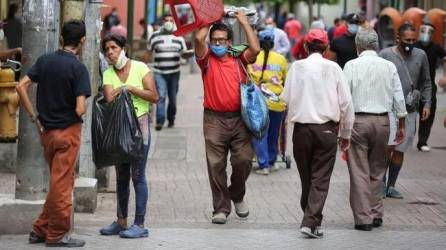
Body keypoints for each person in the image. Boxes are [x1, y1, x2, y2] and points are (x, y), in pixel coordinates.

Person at [16, 20, 90, 248]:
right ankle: (57, 234)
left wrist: (34, 117)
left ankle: (39, 229)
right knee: (63, 185)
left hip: (46, 133)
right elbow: (80, 109)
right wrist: (82, 105)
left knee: (59, 181)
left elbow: (21, 86)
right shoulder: (78, 68)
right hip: (68, 133)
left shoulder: (45, 60)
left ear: (60, 38)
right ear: (83, 41)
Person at [281, 29, 354, 238]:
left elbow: (285, 99)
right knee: (320, 179)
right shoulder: (334, 68)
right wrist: (346, 133)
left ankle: (312, 220)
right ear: (326, 48)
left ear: (305, 47)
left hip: (302, 131)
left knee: (308, 179)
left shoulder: (296, 67)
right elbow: (346, 104)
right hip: (327, 130)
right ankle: (311, 220)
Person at [194, 11, 260, 224]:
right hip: (213, 119)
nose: (218, 43)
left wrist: (244, 22)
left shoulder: (238, 56)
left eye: (222, 40)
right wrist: (211, 19)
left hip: (240, 118)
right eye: (214, 40)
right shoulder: (206, 60)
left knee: (243, 160)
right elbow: (197, 38)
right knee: (215, 165)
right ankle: (221, 208)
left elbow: (256, 49)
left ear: (230, 42)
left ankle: (237, 194)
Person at [343, 29, 407, 231]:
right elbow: (398, 95)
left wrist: (342, 128)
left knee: (359, 171)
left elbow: (345, 99)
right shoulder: (389, 66)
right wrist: (401, 124)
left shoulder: (351, 65)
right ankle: (376, 213)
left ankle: (363, 219)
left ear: (358, 46)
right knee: (378, 170)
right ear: (376, 46)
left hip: (358, 123)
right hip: (383, 123)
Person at [99, 34, 159, 238]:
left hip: (139, 127)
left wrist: (130, 88)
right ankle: (121, 221)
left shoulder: (141, 68)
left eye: (114, 48)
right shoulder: (107, 73)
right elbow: (108, 97)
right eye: (107, 49)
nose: (110, 53)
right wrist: (121, 90)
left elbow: (154, 96)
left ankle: (139, 224)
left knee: (138, 175)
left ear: (123, 48)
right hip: (119, 128)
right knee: (121, 175)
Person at [379, 23, 432, 199]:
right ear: (398, 38)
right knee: (387, 147)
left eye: (413, 40)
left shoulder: (420, 55)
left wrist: (427, 104)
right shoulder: (385, 55)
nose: (410, 43)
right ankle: (380, 183)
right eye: (407, 40)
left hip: (409, 111)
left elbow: (426, 82)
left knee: (400, 149)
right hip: (389, 110)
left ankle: (391, 186)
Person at [248, 28, 288, 175]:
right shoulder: (281, 59)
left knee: (259, 134)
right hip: (277, 102)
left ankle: (263, 164)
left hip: (258, 102)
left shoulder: (252, 57)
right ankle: (272, 162)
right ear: (273, 43)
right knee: (274, 134)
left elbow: (247, 79)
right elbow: (286, 80)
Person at [144, 14, 188, 131]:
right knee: (161, 96)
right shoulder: (154, 36)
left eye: (171, 20)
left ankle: (171, 118)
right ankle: (159, 121)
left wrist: (186, 55)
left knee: (172, 99)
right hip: (159, 72)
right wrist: (143, 67)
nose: (168, 22)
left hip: (174, 72)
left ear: (174, 22)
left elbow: (183, 53)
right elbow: (148, 52)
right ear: (163, 22)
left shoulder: (179, 37)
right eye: (166, 20)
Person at [414, 23, 446, 152]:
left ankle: (422, 142)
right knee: (408, 112)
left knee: (428, 113)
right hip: (413, 85)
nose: (426, 33)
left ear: (433, 34)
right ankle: (405, 137)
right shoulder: (413, 45)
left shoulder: (436, 47)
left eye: (429, 31)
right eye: (423, 30)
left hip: (429, 85)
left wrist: (444, 76)